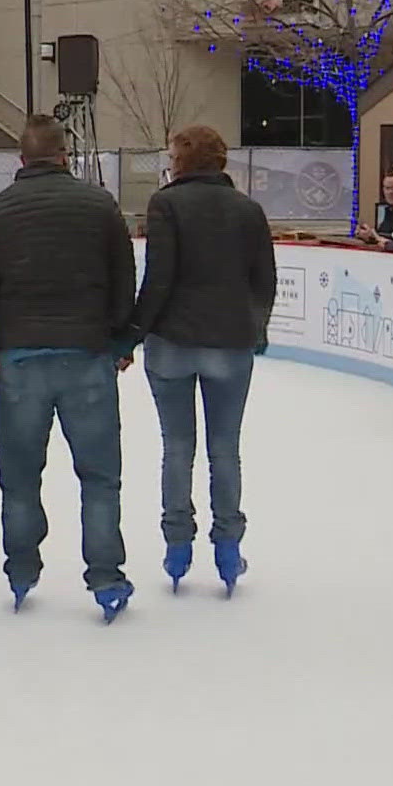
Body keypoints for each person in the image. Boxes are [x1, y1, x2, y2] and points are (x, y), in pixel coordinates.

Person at [0, 115, 138, 622]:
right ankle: (105, 577)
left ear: (21, 160)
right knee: (100, 477)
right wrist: (121, 338)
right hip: (87, 354)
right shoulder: (99, 204)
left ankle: (21, 568)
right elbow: (123, 275)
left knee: (19, 478)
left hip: (21, 359)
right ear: (66, 154)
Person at [129, 125, 274, 596]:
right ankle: (228, 545)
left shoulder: (167, 204)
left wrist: (132, 334)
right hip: (229, 343)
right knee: (224, 448)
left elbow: (160, 277)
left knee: (177, 445)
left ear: (182, 161)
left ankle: (177, 543)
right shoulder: (248, 211)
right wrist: (255, 328)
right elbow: (264, 281)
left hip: (171, 342)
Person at [356, 169, 393, 245]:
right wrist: (367, 235)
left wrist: (373, 235)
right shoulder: (389, 209)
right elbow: (382, 234)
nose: (390, 192)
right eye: (387, 188)